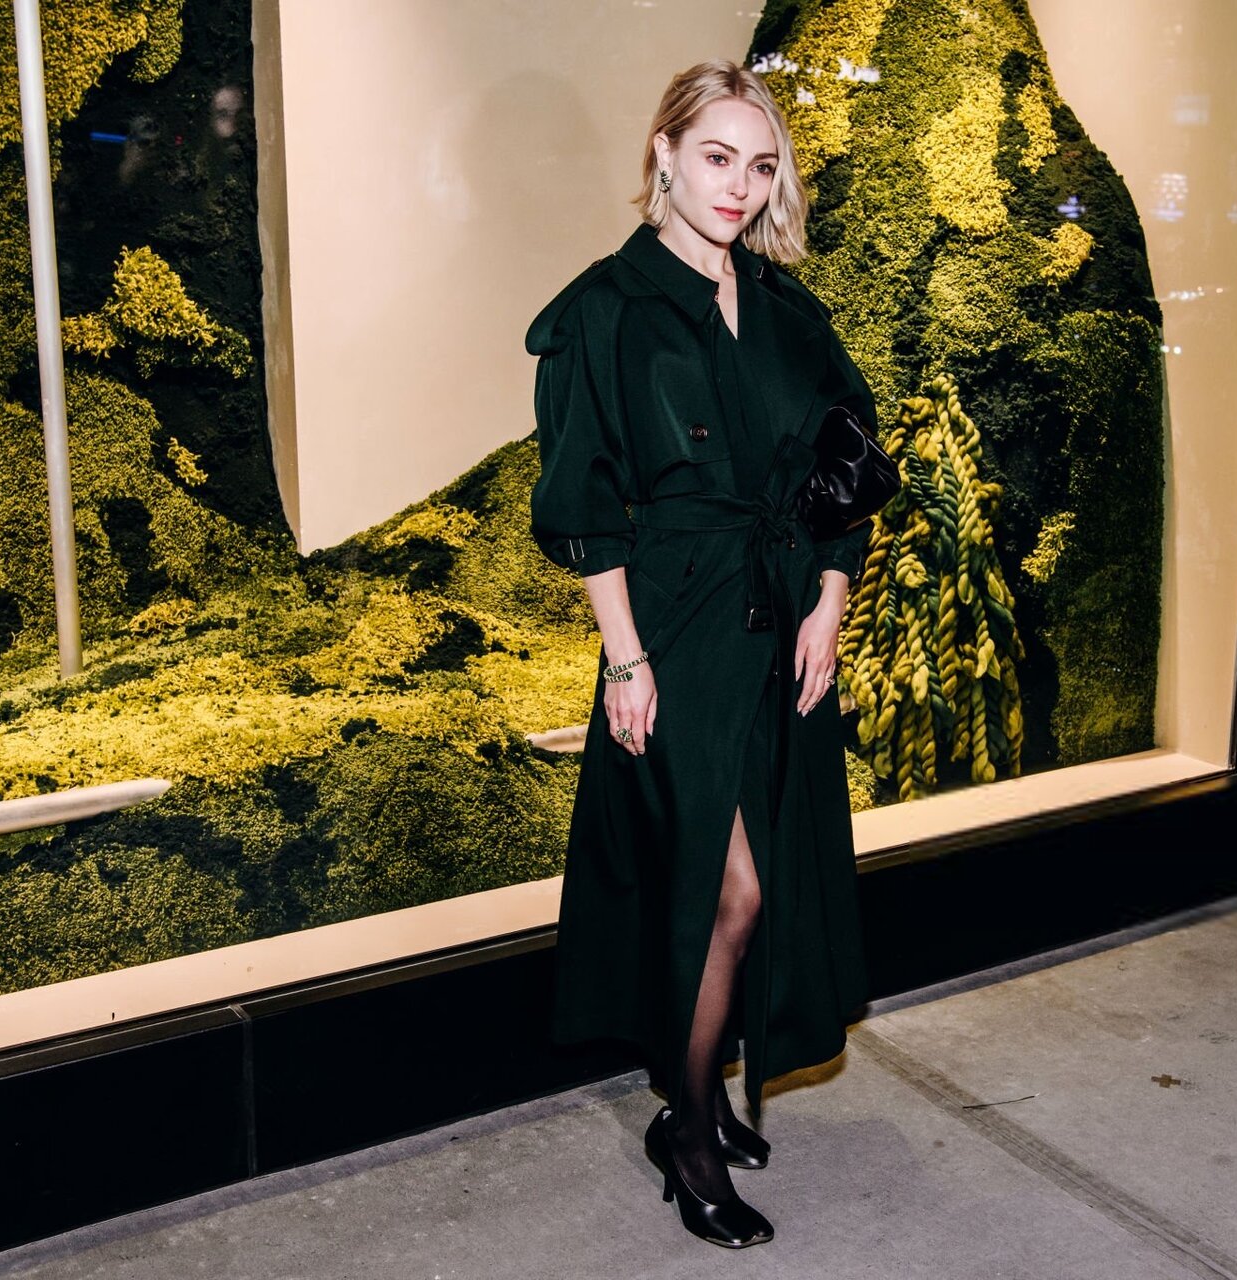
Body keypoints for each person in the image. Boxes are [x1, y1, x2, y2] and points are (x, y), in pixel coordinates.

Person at [525, 60, 876, 1249]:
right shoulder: (606, 312)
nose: (740, 184)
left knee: (757, 880)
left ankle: (701, 1086)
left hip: (780, 621)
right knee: (722, 889)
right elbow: (586, 499)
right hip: (674, 630)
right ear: (664, 156)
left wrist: (830, 597)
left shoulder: (784, 309)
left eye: (760, 165)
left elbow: (844, 459)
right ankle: (685, 1127)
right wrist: (624, 658)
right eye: (718, 156)